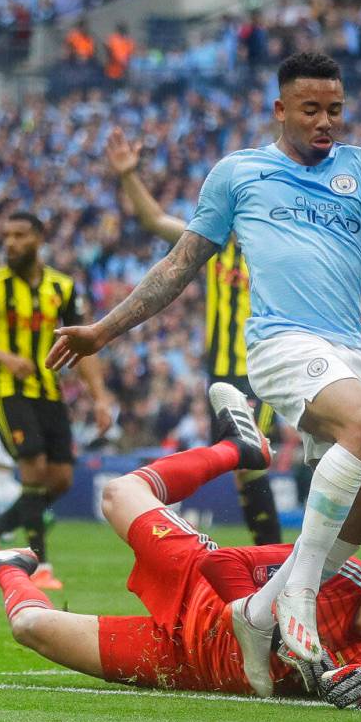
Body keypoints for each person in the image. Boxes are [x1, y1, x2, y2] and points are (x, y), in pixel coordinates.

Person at [46, 52, 361, 663]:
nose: (325, 122)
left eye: (334, 110)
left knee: (360, 522)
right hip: (279, 342)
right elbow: (178, 266)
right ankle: (294, 597)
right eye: (311, 110)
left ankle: (255, 613)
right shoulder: (238, 174)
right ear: (280, 110)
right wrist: (104, 331)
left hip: (348, 350)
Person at [0, 384, 361, 707]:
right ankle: (236, 448)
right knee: (118, 493)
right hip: (194, 584)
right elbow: (226, 563)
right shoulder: (340, 571)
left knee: (30, 628)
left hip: (185, 666)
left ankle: (10, 566)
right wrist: (259, 621)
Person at [105, 126, 282, 546]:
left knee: (249, 460)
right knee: (244, 470)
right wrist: (129, 175)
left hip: (260, 368)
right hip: (218, 373)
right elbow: (153, 220)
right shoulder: (214, 243)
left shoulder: (279, 247)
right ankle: (271, 559)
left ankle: (274, 557)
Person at [0, 211, 112, 589]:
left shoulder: (61, 287)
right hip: (9, 391)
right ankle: (39, 566)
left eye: (20, 235)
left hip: (49, 391)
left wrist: (99, 398)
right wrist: (6, 358)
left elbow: (84, 347)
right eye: (6, 235)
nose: (10, 243)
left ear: (39, 239)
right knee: (34, 468)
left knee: (60, 479)